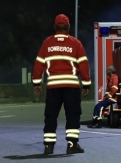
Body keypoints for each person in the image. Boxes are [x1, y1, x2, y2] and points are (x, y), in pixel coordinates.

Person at [32, 14, 91, 155]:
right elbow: (83, 65)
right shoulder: (76, 43)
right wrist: (86, 84)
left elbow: (39, 64)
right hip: (71, 85)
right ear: (68, 27)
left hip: (53, 86)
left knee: (51, 115)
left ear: (54, 27)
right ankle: (72, 145)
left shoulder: (47, 43)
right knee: (73, 114)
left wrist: (37, 83)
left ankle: (49, 147)